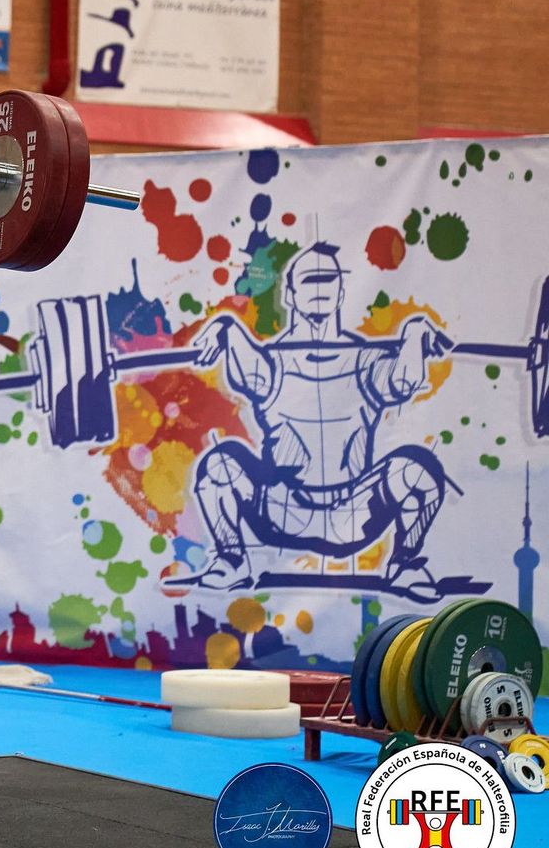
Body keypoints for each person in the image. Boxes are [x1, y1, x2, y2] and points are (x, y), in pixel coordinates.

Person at [171, 242, 450, 601]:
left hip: (352, 514)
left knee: (420, 468)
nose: (319, 288)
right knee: (219, 465)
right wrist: (225, 326)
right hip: (283, 512)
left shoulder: (366, 361)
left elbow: (402, 381)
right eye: (309, 280)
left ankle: (405, 563)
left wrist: (414, 333)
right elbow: (245, 364)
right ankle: (231, 562)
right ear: (290, 294)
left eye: (328, 279)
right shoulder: (271, 366)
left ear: (340, 290)